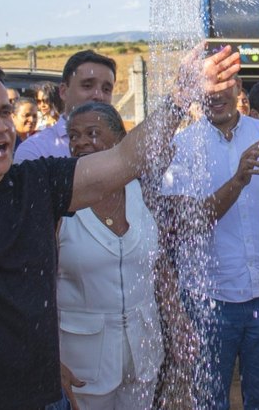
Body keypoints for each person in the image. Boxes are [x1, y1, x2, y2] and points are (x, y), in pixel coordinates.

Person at [0, 43, 239, 409]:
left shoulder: (38, 182)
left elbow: (127, 159)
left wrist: (179, 98)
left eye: (4, 112)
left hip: (45, 397)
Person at [161, 77, 259, 409]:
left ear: (238, 87)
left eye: (222, 85)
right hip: (208, 304)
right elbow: (187, 224)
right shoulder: (182, 146)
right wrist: (239, 180)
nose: (214, 95)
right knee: (209, 401)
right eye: (206, 88)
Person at [58, 102, 164, 409]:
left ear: (120, 141)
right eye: (73, 136)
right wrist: (50, 359)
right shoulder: (58, 201)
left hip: (142, 352)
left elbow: (156, 264)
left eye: (92, 133)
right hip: (83, 363)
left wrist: (178, 319)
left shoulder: (140, 192)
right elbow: (38, 289)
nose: (80, 142)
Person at [17, 50, 116, 161]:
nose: (99, 96)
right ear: (63, 91)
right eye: (88, 86)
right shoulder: (36, 150)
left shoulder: (119, 145)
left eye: (106, 89)